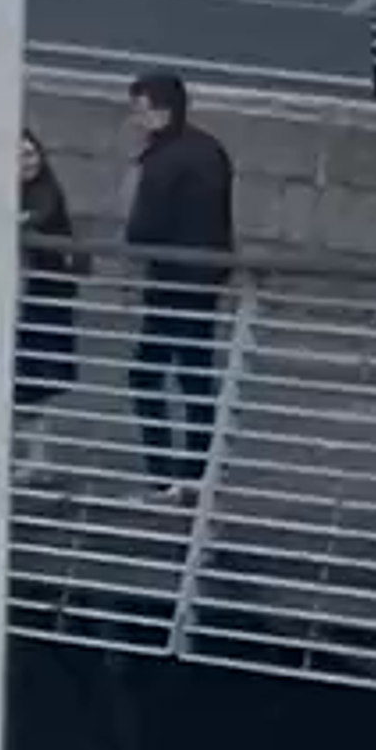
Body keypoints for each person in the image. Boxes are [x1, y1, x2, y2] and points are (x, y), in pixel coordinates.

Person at [123, 70, 234, 482]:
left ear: (162, 112)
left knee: (146, 376)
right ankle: (194, 474)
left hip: (171, 282)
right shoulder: (210, 150)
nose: (135, 119)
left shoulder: (162, 161)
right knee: (195, 377)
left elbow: (142, 229)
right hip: (205, 281)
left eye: (139, 110)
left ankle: (166, 476)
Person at [12, 127, 83, 450]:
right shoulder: (36, 191)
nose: (27, 162)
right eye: (19, 156)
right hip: (31, 295)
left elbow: (36, 218)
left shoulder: (44, 193)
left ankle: (33, 455)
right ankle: (32, 454)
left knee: (30, 381)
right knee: (25, 382)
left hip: (42, 296)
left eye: (29, 154)